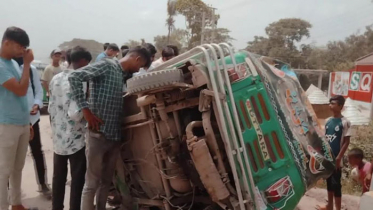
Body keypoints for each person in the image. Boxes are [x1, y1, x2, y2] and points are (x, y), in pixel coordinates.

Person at [68, 46, 151, 210]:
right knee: (92, 183)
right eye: (140, 66)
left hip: (113, 136)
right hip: (98, 134)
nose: (138, 69)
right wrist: (86, 112)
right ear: (137, 59)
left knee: (106, 181)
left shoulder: (122, 75)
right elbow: (75, 77)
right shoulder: (107, 65)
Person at [49, 46, 92, 210]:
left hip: (59, 136)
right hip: (76, 138)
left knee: (58, 177)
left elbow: (52, 105)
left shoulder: (56, 78)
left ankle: (56, 207)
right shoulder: (79, 80)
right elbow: (76, 114)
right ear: (82, 61)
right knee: (77, 178)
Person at [0, 26, 35, 210]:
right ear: (6, 43)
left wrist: (27, 122)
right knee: (3, 170)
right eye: (20, 46)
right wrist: (27, 64)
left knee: (17, 167)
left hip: (20, 123)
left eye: (24, 47)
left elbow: (23, 95)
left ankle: (16, 203)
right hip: (6, 124)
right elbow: (21, 90)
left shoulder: (13, 63)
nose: (23, 51)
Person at [13, 57, 51, 199]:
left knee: (37, 151)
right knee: (12, 155)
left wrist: (36, 104)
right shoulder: (5, 68)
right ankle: (11, 190)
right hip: (12, 120)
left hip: (32, 118)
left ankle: (43, 184)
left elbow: (38, 90)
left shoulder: (31, 69)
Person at [318, 95, 351, 210]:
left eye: (333, 103)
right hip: (328, 157)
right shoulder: (327, 121)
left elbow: (346, 142)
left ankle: (337, 208)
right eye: (330, 103)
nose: (330, 105)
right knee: (329, 183)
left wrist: (338, 158)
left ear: (340, 106)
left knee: (336, 184)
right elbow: (325, 139)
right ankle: (329, 206)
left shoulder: (345, 122)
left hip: (337, 158)